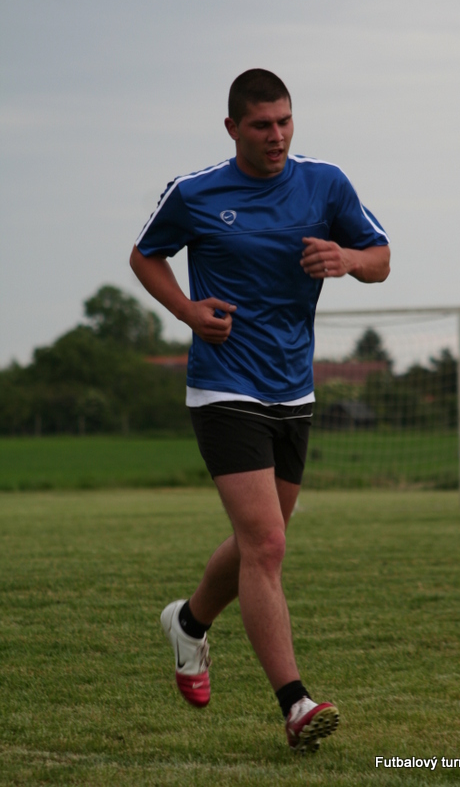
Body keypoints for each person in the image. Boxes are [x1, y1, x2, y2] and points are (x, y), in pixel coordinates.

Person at [130, 68, 390, 753]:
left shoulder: (325, 183)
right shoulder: (195, 193)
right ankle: (296, 704)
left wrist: (346, 257)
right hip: (223, 385)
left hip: (293, 389)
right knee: (268, 545)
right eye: (261, 125)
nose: (276, 136)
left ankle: (189, 622)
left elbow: (381, 259)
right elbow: (145, 256)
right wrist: (187, 311)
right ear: (232, 128)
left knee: (261, 541)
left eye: (285, 121)